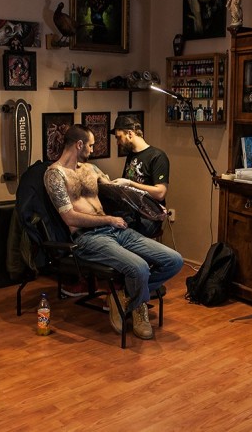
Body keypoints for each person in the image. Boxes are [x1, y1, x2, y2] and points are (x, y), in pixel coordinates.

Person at [44, 124, 183, 340]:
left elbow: (120, 193)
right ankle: (138, 308)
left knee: (174, 260)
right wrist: (109, 219)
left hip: (115, 230)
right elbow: (69, 217)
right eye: (90, 145)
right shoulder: (55, 175)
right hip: (88, 237)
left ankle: (124, 298)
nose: (92, 150)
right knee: (140, 268)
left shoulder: (91, 169)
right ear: (79, 144)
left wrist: (151, 208)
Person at [111, 115, 169, 238]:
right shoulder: (131, 156)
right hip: (131, 211)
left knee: (123, 234)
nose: (117, 143)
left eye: (119, 137)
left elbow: (160, 193)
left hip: (148, 216)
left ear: (130, 133)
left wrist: (130, 183)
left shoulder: (157, 156)